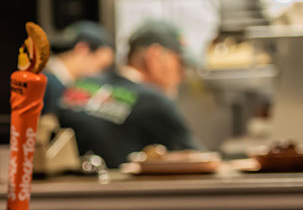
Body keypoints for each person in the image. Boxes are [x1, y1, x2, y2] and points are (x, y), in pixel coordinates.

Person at [57, 19, 203, 168]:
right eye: (180, 63)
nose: (182, 75)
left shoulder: (81, 84)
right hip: (114, 183)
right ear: (155, 56)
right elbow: (200, 163)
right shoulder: (154, 102)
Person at [42, 21, 115, 115]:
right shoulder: (47, 83)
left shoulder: (54, 78)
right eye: (102, 66)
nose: (99, 73)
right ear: (83, 49)